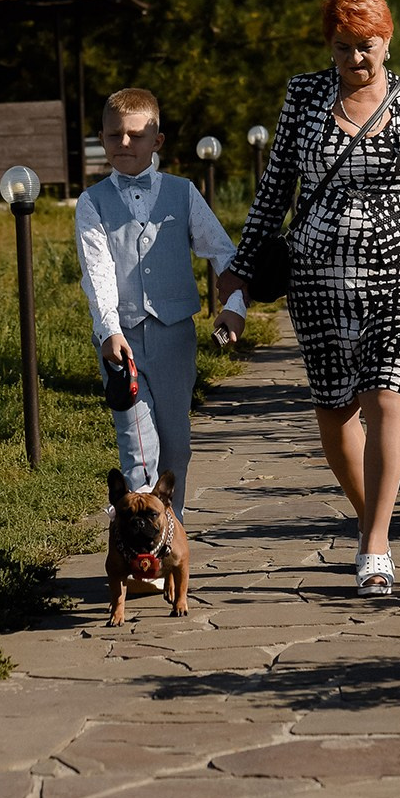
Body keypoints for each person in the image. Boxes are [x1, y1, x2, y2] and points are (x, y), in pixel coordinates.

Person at [219, 0, 400, 597]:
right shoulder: (306, 96)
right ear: (329, 47)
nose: (354, 60)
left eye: (365, 47)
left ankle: (375, 545)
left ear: (388, 42)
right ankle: (375, 520)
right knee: (336, 407)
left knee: (386, 393)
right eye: (343, 48)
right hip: (317, 275)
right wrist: (240, 264)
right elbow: (274, 189)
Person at [75, 87, 246, 531]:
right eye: (114, 136)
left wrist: (235, 305)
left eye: (135, 135)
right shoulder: (92, 203)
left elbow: (222, 252)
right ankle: (139, 542)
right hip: (122, 341)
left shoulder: (183, 193)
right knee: (138, 445)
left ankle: (172, 530)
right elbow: (98, 273)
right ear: (101, 138)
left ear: (158, 141)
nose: (124, 144)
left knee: (176, 445)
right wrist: (109, 329)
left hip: (175, 337)